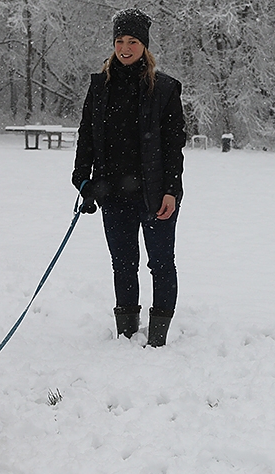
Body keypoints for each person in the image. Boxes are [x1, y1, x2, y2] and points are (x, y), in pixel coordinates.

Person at [72, 8, 186, 347]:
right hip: (113, 194)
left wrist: (171, 191)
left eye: (132, 41)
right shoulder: (100, 87)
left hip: (155, 196)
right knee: (123, 265)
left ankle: (158, 337)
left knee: (161, 264)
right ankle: (125, 333)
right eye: (120, 41)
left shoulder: (164, 89)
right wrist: (83, 179)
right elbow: (86, 137)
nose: (125, 48)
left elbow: (173, 146)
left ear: (144, 45)